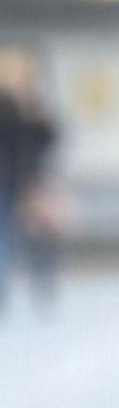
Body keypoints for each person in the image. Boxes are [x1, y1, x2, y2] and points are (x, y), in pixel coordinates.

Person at [0, 46, 61, 316]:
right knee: (4, 237)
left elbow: (48, 138)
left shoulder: (30, 107)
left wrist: (29, 109)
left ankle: (42, 278)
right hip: (6, 181)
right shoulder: (5, 108)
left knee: (38, 233)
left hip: (29, 180)